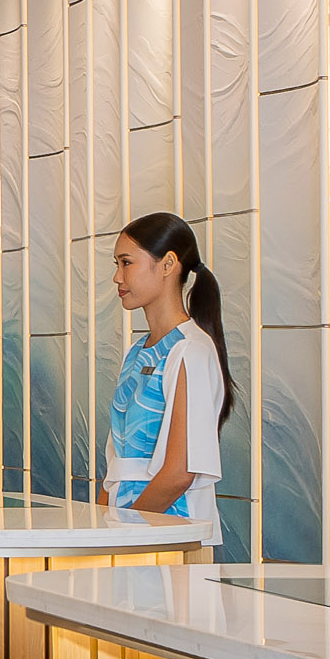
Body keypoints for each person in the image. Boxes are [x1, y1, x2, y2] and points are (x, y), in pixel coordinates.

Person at [100, 211, 230, 522]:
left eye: (126, 263)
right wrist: (101, 525)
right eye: (116, 265)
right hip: (125, 525)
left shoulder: (190, 350)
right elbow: (116, 460)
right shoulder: (136, 352)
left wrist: (127, 530)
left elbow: (179, 472)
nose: (118, 277)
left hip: (171, 527)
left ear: (168, 265)